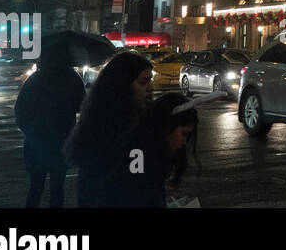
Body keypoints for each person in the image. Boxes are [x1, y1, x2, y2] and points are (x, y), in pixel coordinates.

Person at [64, 51, 154, 207]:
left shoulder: (98, 117)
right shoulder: (121, 125)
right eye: (144, 81)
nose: (150, 87)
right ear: (123, 84)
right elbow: (135, 172)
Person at [14, 40, 85, 208]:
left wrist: (30, 133)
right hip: (62, 140)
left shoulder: (35, 79)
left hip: (36, 141)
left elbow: (20, 111)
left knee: (36, 187)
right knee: (57, 188)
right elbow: (82, 106)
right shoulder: (73, 79)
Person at [103, 93, 199, 208]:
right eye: (183, 134)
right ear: (165, 127)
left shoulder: (147, 151)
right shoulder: (139, 158)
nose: (184, 142)